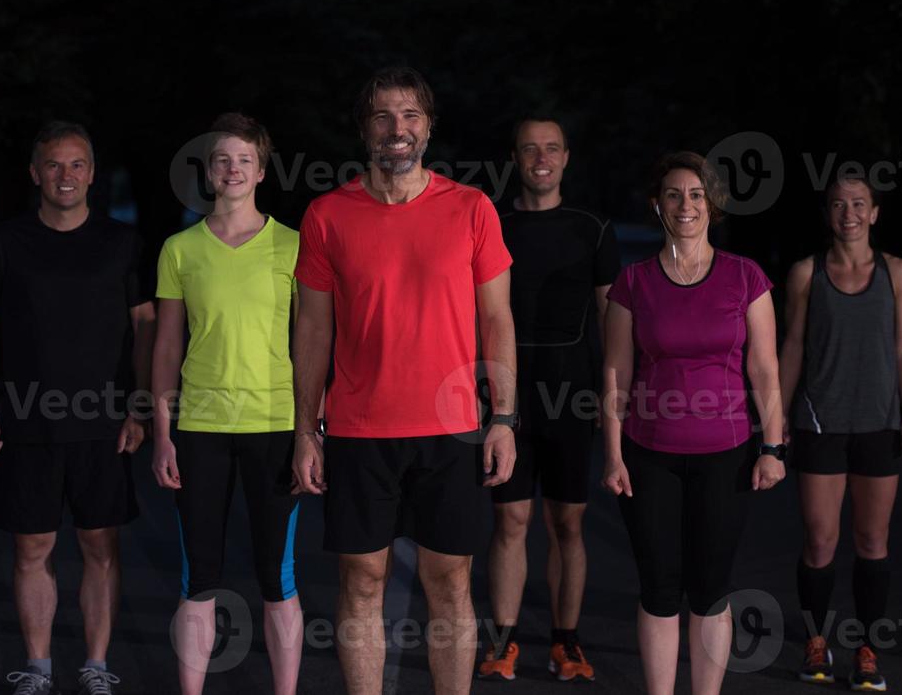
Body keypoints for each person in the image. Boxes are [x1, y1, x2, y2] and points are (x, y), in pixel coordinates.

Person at [290, 66, 518, 695]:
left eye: (411, 115)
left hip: (452, 428)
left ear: (429, 127)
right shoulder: (327, 215)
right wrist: (306, 431)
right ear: (364, 129)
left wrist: (502, 418)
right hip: (360, 428)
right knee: (360, 580)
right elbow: (311, 331)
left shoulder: (471, 208)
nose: (398, 129)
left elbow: (497, 318)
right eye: (384, 116)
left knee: (449, 581)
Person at [0, 122, 153, 695]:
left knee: (100, 546)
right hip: (27, 420)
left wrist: (140, 406)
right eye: (53, 165)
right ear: (34, 173)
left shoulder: (121, 243)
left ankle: (96, 665)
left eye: (76, 165)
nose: (65, 176)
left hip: (103, 421)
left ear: (92, 174)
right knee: (33, 546)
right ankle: (39, 668)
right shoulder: (6, 241)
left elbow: (146, 323)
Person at [601, 151, 786, 695]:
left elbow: (765, 369)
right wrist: (612, 455)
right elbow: (615, 375)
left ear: (714, 205)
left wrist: (772, 447)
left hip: (727, 454)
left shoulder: (745, 277)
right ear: (658, 205)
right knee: (659, 587)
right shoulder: (632, 283)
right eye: (675, 194)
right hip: (647, 453)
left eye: (698, 194)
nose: (687, 205)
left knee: (711, 589)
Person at [150, 113, 303, 695]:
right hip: (201, 429)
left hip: (276, 425)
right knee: (199, 579)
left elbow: (310, 343)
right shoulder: (180, 249)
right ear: (209, 172)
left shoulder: (292, 245)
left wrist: (312, 430)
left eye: (244, 159)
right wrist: (163, 432)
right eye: (222, 160)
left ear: (261, 171)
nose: (232, 169)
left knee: (277, 577)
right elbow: (166, 345)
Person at [478, 117, 619, 683]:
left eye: (552, 148)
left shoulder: (593, 228)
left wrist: (615, 395)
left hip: (573, 397)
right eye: (530, 148)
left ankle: (567, 643)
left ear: (566, 157)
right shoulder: (492, 222)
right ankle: (505, 642)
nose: (541, 157)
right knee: (510, 519)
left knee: (568, 524)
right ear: (515, 156)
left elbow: (614, 321)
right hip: (508, 399)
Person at [779, 174, 902, 692]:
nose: (850, 213)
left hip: (880, 423)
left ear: (875, 212)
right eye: (839, 204)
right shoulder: (805, 273)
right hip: (820, 423)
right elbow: (792, 346)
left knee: (871, 539)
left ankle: (867, 649)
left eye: (859, 204)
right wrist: (777, 416)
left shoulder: (897, 272)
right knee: (819, 540)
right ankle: (816, 643)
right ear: (828, 213)